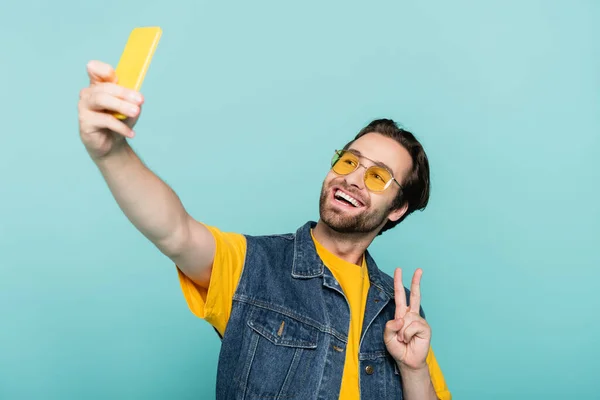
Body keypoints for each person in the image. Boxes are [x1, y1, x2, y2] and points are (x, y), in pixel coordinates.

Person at [78, 60, 452, 400]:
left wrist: (414, 369)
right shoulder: (254, 266)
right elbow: (175, 231)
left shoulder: (398, 309)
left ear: (398, 208)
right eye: (349, 160)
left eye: (376, 176)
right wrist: (110, 152)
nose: (352, 178)